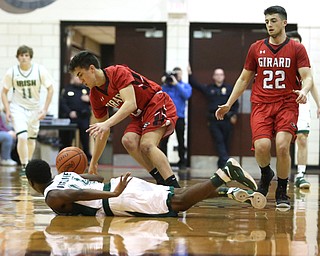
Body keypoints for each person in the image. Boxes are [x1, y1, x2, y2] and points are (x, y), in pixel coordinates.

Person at [215, 6, 313, 209]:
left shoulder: (296, 48)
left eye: (273, 20)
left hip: (287, 103)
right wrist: (229, 103)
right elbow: (244, 78)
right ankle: (266, 173)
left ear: (284, 23)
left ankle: (282, 189)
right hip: (261, 103)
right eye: (267, 21)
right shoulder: (256, 48)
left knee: (283, 146)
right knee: (261, 146)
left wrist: (304, 91)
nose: (269, 24)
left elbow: (308, 77)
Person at [68, 51, 180, 188]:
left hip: (156, 102)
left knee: (147, 145)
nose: (80, 81)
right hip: (140, 115)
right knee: (128, 141)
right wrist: (93, 162)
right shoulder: (95, 96)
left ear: (91, 69)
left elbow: (130, 104)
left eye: (80, 75)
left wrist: (106, 124)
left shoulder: (118, 72)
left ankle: (174, 186)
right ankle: (160, 179)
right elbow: (103, 131)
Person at [25, 158, 266, 217]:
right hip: (120, 184)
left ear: (33, 183)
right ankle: (227, 191)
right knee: (177, 194)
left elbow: (76, 194)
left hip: (116, 198)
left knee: (178, 205)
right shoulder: (65, 174)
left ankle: (224, 175)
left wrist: (112, 194)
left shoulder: (52, 195)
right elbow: (95, 177)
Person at [1, 45, 54, 172]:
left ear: (30, 57)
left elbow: (50, 89)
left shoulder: (39, 70)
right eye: (21, 55)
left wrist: (45, 109)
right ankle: (24, 166)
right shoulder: (12, 72)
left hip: (34, 109)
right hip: (17, 108)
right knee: (22, 136)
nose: (24, 58)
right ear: (18, 57)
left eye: (26, 55)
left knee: (31, 139)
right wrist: (8, 110)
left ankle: (28, 163)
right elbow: (4, 92)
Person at [286, 30, 320, 189]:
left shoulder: (304, 63)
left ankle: (300, 174)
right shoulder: (281, 60)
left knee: (302, 138)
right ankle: (283, 176)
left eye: (297, 43)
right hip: (284, 104)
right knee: (283, 141)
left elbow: (311, 84)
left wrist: (319, 105)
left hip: (302, 103)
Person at [188, 66, 239, 168]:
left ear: (224, 76)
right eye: (217, 74)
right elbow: (196, 85)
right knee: (219, 140)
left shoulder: (229, 89)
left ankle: (222, 164)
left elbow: (236, 103)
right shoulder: (209, 88)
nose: (219, 76)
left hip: (227, 120)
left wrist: (234, 114)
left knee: (226, 141)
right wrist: (189, 74)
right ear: (214, 77)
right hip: (214, 120)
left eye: (221, 74)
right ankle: (225, 163)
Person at [159, 67, 192, 169]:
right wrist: (165, 82)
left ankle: (182, 162)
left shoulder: (185, 86)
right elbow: (159, 95)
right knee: (164, 140)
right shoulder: (166, 86)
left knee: (181, 140)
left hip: (179, 117)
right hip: (166, 118)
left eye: (178, 74)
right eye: (175, 74)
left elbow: (187, 95)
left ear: (181, 75)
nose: (176, 76)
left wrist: (176, 84)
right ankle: (163, 161)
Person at [59, 75, 92, 161]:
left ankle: (87, 157)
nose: (79, 79)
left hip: (83, 117)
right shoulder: (67, 89)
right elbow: (63, 103)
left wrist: (89, 99)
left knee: (85, 137)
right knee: (67, 138)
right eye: (76, 77)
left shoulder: (86, 89)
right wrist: (69, 112)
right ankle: (65, 156)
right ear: (72, 78)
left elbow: (96, 101)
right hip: (71, 117)